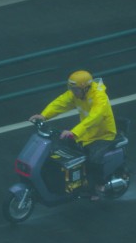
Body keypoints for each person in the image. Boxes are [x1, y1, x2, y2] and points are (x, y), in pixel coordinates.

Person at [29, 70, 117, 200]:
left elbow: (94, 118)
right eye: (71, 88)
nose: (73, 92)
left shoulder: (100, 98)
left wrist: (74, 132)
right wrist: (43, 115)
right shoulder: (77, 94)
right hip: (86, 134)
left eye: (75, 89)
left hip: (103, 135)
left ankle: (100, 184)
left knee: (93, 159)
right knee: (62, 151)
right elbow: (61, 102)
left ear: (85, 88)